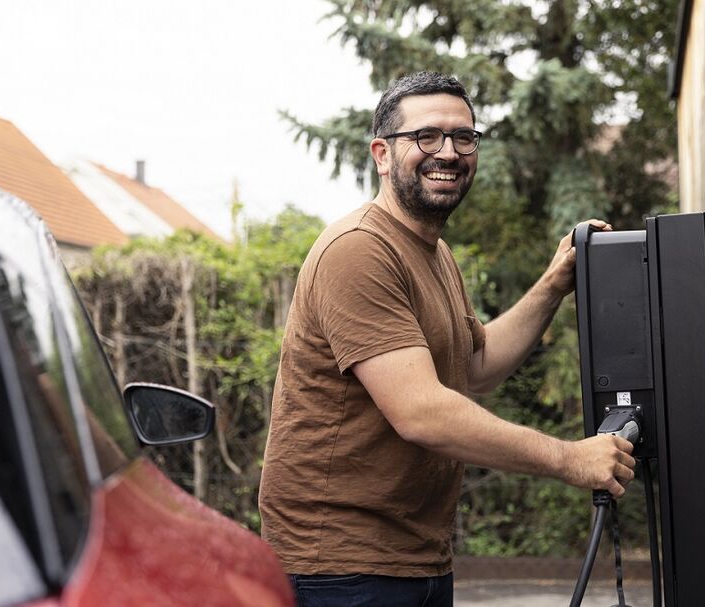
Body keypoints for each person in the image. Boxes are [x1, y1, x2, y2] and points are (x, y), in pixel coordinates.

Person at [259, 71, 636, 607]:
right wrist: (569, 459)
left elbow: (476, 365)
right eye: (427, 136)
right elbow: (421, 411)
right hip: (341, 568)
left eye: (464, 137)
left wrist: (553, 285)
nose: (450, 152)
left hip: (414, 558)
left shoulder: (434, 253)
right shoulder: (359, 250)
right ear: (382, 154)